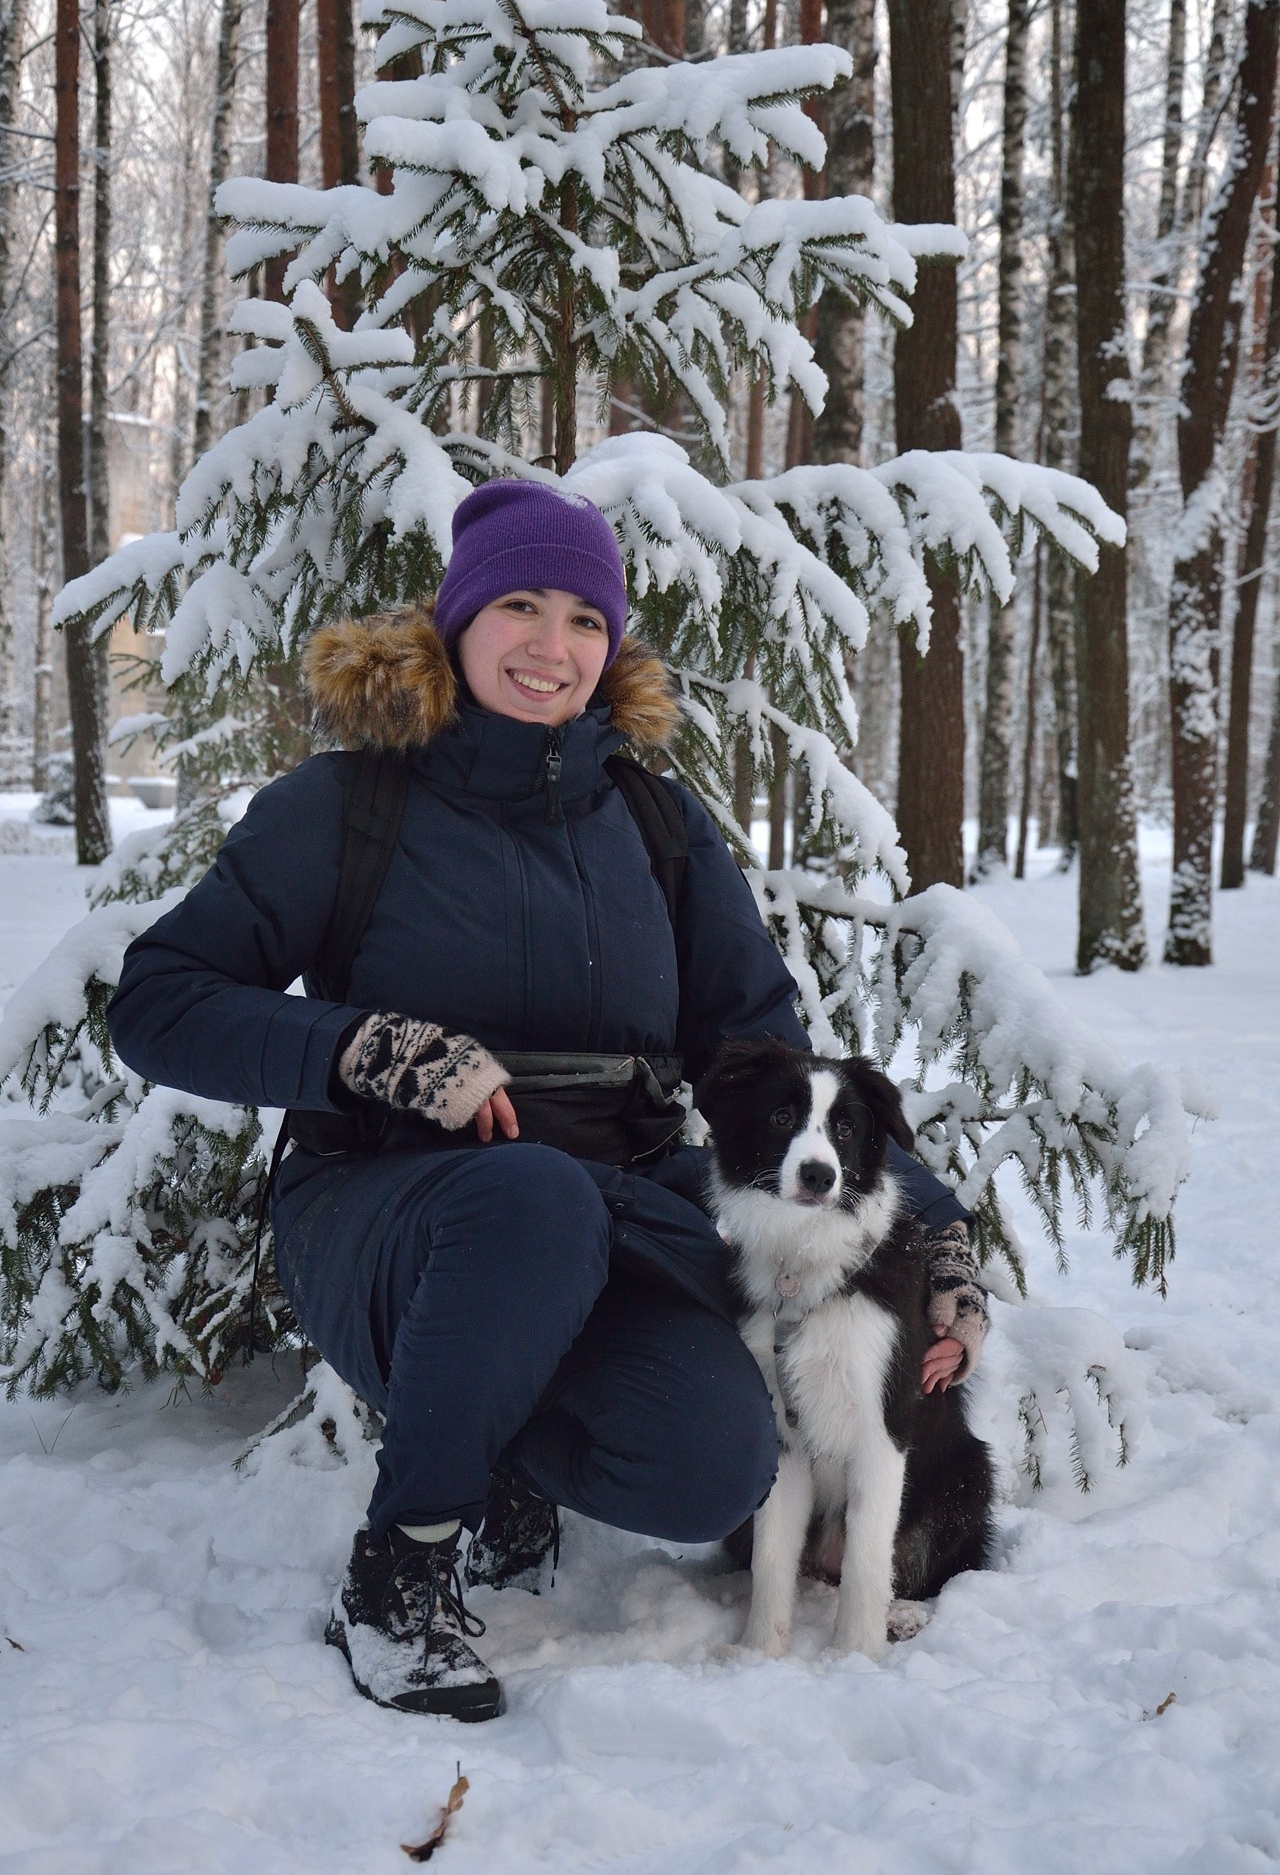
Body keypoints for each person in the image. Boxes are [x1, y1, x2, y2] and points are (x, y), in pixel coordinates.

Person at [107, 479, 988, 1724]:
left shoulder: (652, 822)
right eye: (519, 604)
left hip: (616, 1205)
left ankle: (495, 1433)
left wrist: (932, 1235)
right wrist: (369, 1048)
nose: (552, 644)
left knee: (717, 1466)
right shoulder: (345, 806)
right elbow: (156, 1003)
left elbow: (780, 1067)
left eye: (585, 619)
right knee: (525, 1201)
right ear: (456, 622)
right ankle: (398, 1576)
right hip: (387, 1209)